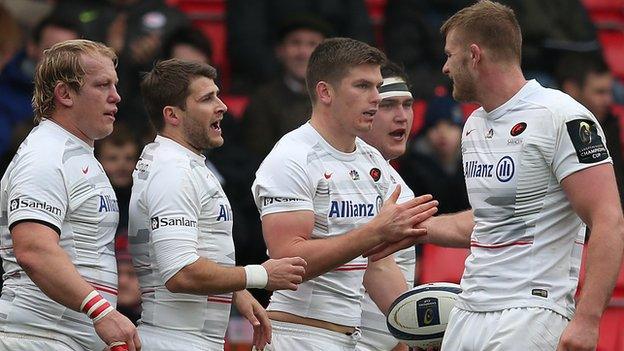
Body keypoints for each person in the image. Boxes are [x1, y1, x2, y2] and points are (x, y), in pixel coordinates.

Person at [368, 1, 624, 350]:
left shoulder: (560, 115)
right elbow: (490, 220)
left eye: (449, 55)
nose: (443, 67)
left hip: (531, 310)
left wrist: (588, 318)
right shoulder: (473, 124)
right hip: (469, 308)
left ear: (474, 55)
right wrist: (416, 230)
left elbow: (608, 218)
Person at [251, 37, 439, 350]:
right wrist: (372, 234)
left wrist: (419, 334)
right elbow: (287, 260)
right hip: (298, 336)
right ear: (325, 92)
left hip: (349, 338)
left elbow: (377, 265)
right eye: (363, 86)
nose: (375, 98)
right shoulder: (292, 157)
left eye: (377, 87)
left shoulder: (371, 160)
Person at [130, 58, 307, 351]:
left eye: (218, 95)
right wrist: (260, 275)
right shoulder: (174, 171)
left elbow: (193, 252)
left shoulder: (180, 163)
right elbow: (180, 272)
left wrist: (236, 288)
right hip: (176, 340)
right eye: (207, 98)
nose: (222, 106)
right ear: (172, 115)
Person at [0, 39, 140, 350]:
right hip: (37, 337)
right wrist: (100, 309)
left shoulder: (78, 154)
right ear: (64, 94)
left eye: (115, 84)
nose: (116, 97)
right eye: (102, 85)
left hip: (67, 338)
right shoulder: (45, 156)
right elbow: (33, 250)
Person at [356, 62, 416, 351]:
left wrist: (401, 343)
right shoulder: (349, 174)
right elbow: (375, 268)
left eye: (407, 105)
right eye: (389, 105)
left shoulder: (394, 179)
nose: (402, 117)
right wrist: (420, 334)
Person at [241, 15, 331, 159]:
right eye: (295, 43)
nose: (303, 52)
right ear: (280, 51)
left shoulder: (338, 98)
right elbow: (256, 156)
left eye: (312, 44)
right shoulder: (262, 101)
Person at [0, 14, 80, 165]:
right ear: (32, 47)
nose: (60, 62)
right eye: (52, 51)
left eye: (69, 53)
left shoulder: (86, 95)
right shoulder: (5, 90)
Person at [557, 52, 624, 208]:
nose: (608, 100)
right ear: (571, 89)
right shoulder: (550, 129)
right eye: (600, 92)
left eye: (609, 92)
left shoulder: (609, 124)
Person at [400, 94, 470, 215]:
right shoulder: (412, 167)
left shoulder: (474, 161)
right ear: (426, 132)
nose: (443, 134)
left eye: (450, 126)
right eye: (434, 127)